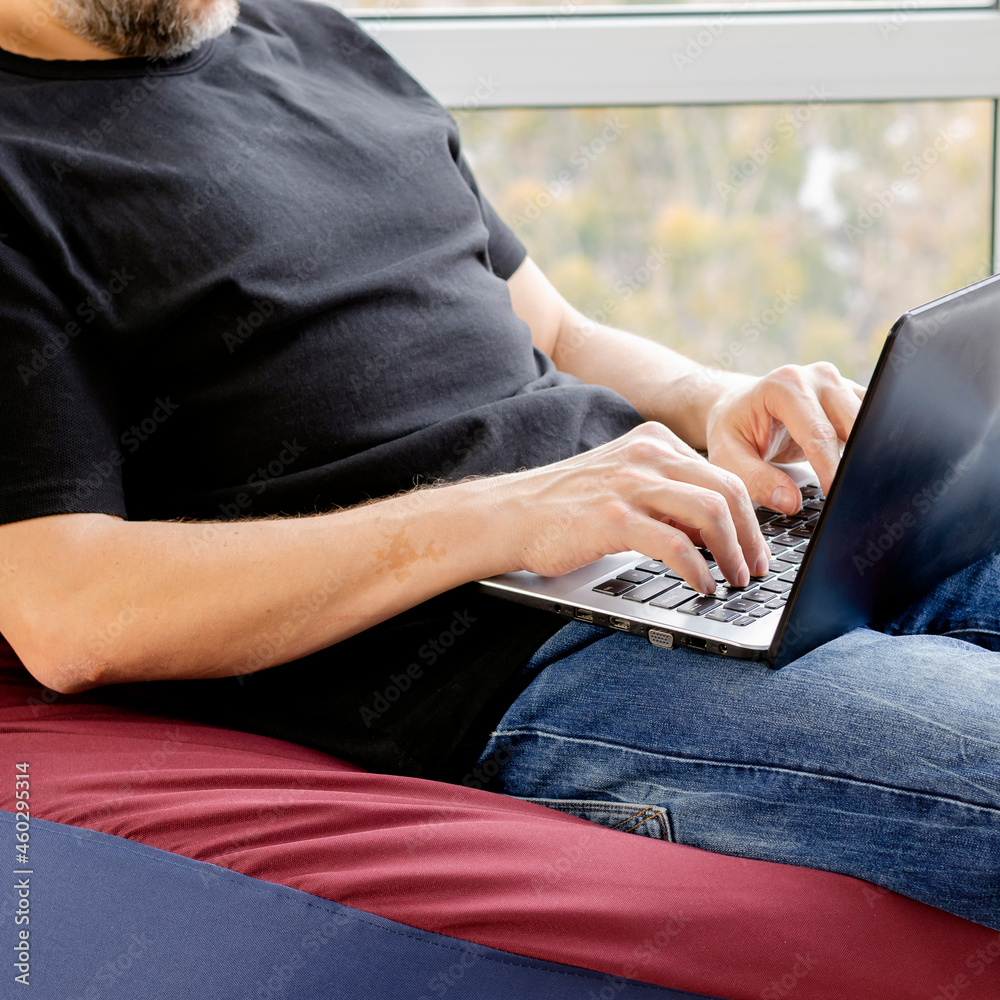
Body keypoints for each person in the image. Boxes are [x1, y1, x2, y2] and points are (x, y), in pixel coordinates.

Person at [0, 0, 995, 931]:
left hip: (691, 534)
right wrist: (509, 518)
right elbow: (68, 613)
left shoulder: (312, 38)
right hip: (515, 662)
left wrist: (713, 398)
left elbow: (555, 328)